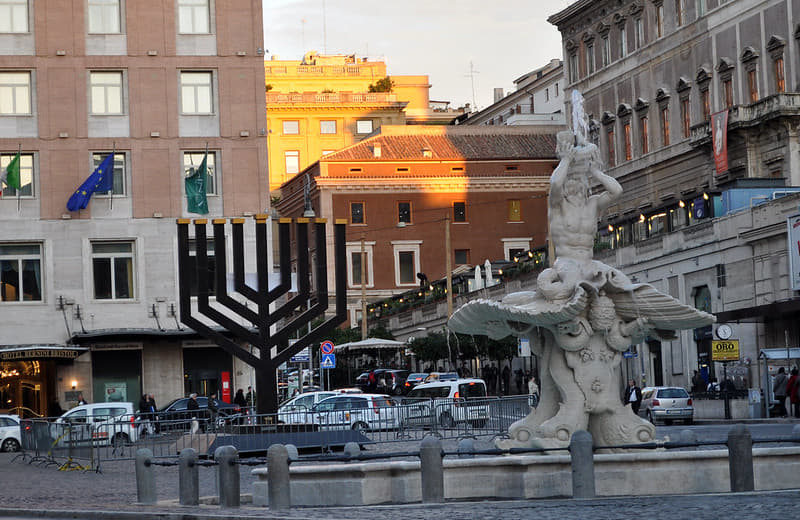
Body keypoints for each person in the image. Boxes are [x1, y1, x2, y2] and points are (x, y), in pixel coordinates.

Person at [548, 130, 623, 263]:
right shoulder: (558, 204)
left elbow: (617, 191)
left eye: (580, 179)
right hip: (567, 264)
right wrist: (566, 159)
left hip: (590, 263)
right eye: (572, 179)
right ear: (566, 184)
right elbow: (555, 182)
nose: (577, 183)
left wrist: (595, 172)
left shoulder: (592, 203)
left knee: (622, 281)